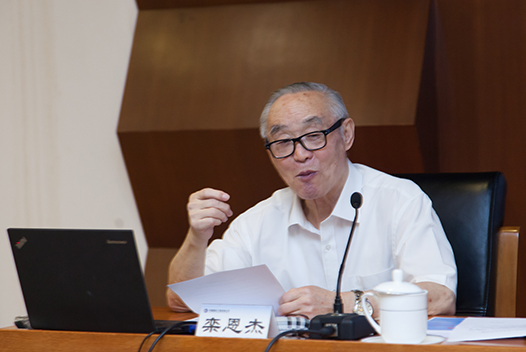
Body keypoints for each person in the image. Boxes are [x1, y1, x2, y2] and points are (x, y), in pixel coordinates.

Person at [167, 82, 457, 318]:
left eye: (314, 136)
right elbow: (180, 300)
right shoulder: (258, 221)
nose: (300, 154)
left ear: (346, 134)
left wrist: (342, 303)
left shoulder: (399, 200)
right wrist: (197, 237)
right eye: (283, 142)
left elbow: (441, 297)